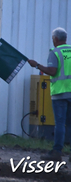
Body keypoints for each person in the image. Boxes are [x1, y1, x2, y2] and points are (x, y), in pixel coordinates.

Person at [28, 27, 71, 162]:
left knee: (60, 123)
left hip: (59, 93)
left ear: (55, 39)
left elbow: (52, 71)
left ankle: (57, 152)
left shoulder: (55, 52)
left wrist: (37, 65)